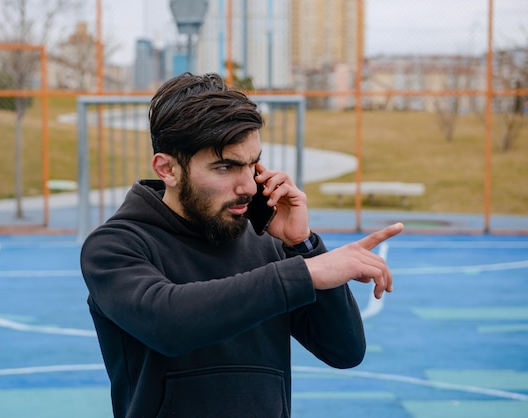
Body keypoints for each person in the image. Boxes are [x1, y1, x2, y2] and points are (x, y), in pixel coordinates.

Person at [80, 72, 403, 417]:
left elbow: (345, 351)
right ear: (168, 169)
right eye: (226, 167)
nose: (249, 186)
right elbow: (168, 323)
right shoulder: (114, 247)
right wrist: (304, 272)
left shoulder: (268, 244)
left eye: (252, 164)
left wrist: (303, 245)